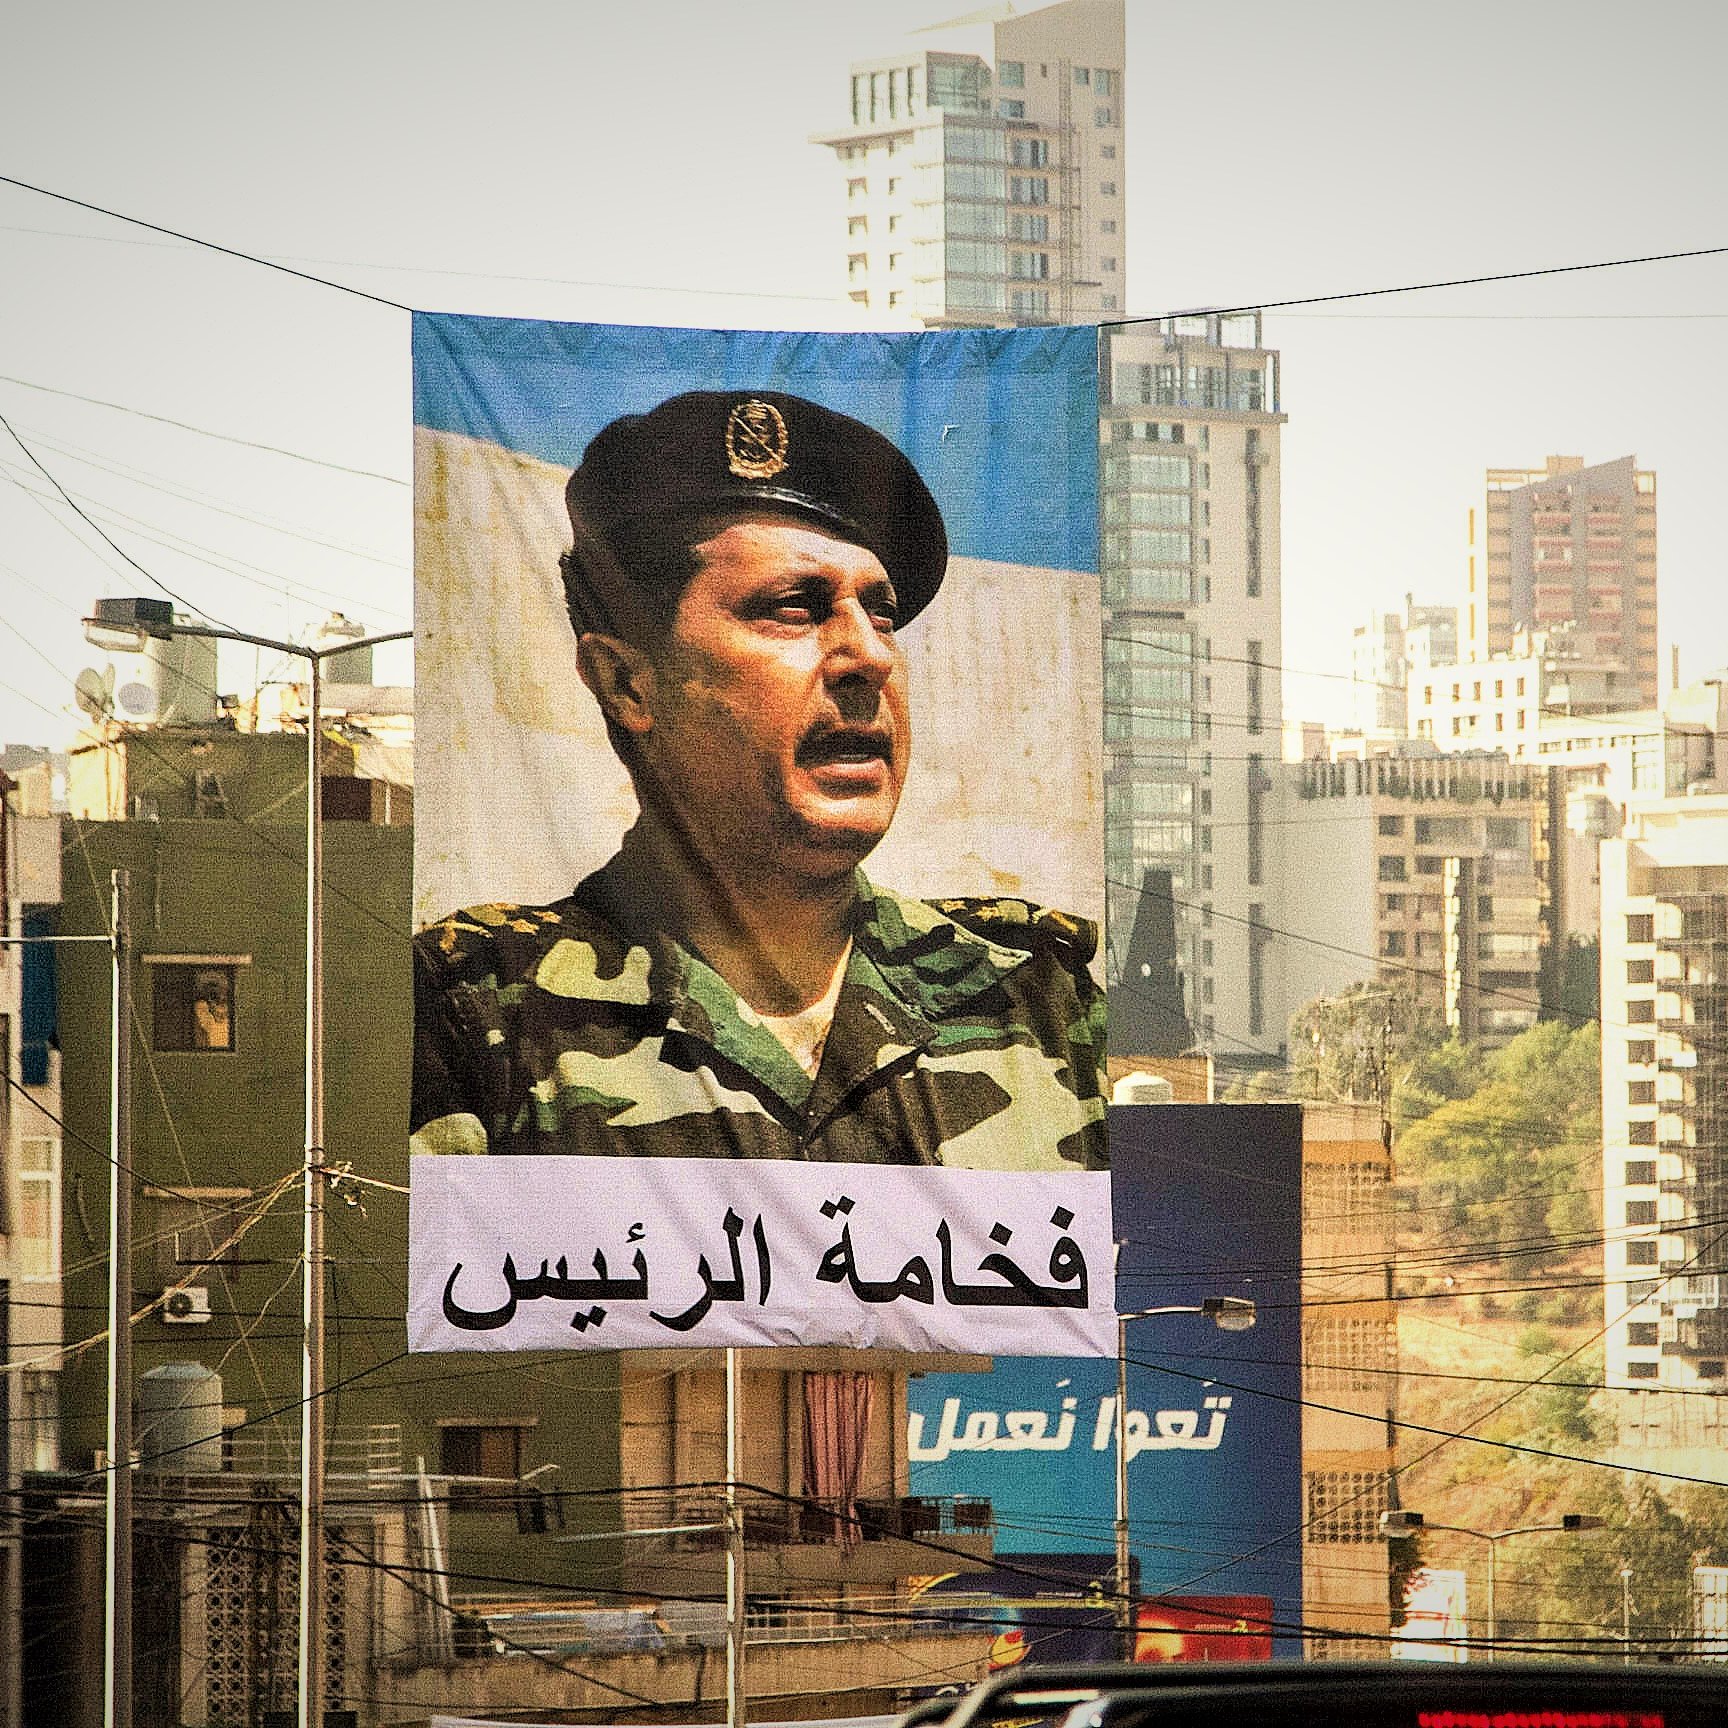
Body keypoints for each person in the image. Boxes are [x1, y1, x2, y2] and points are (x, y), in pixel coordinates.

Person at [411, 390, 1106, 1168]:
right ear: (627, 685)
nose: (870, 656)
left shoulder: (1040, 1000)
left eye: (880, 614)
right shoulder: (475, 1016)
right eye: (792, 609)